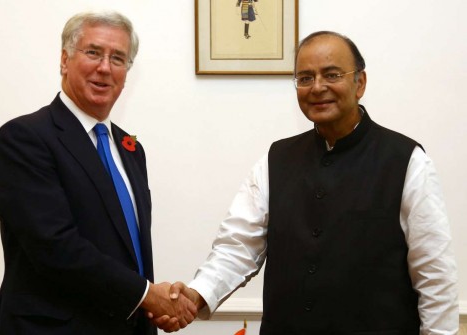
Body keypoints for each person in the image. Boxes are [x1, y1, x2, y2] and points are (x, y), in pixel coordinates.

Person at [156, 31, 459, 334]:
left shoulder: (407, 161)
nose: (317, 87)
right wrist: (196, 294)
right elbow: (238, 247)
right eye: (305, 78)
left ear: (360, 83)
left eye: (332, 75)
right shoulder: (275, 159)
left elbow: (436, 280)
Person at [0, 11, 196, 334]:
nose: (104, 67)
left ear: (127, 73)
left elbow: (130, 253)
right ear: (64, 59)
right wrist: (146, 295)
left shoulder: (131, 150)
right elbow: (55, 247)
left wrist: (153, 305)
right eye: (93, 52)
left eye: (118, 58)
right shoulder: (24, 139)